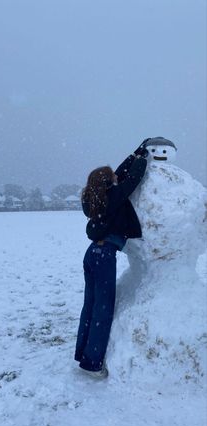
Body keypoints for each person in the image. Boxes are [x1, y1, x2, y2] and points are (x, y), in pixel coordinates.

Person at [74, 141, 149, 379]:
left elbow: (118, 174)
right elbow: (133, 178)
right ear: (108, 183)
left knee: (91, 305)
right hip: (105, 256)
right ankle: (92, 364)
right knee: (103, 311)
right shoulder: (114, 196)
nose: (116, 180)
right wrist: (143, 160)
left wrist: (134, 152)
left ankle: (82, 354)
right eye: (112, 179)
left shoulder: (95, 198)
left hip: (91, 255)